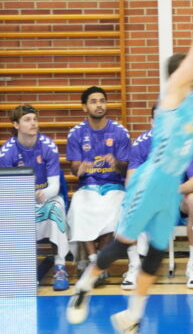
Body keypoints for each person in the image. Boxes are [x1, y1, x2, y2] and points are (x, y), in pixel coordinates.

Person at [67, 0, 193, 333]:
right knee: (123, 244)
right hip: (151, 180)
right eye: (191, 68)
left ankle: (132, 316)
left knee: (156, 254)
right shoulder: (173, 94)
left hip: (169, 188)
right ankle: (83, 286)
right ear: (178, 75)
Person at [123, 104, 193, 290]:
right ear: (152, 122)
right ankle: (135, 265)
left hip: (176, 198)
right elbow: (130, 182)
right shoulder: (141, 144)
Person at [0, 104, 70, 291]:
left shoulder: (48, 146)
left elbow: (55, 186)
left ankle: (60, 267)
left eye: (35, 119)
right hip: (20, 200)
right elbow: (7, 190)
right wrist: (27, 196)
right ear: (16, 124)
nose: (33, 123)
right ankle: (24, 269)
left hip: (46, 197)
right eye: (27, 120)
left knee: (57, 208)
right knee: (11, 216)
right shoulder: (7, 152)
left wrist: (43, 194)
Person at [66, 86, 131, 285]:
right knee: (79, 206)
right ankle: (95, 261)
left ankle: (100, 259)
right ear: (84, 107)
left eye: (102, 100)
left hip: (114, 186)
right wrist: (81, 168)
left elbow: (126, 167)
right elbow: (73, 168)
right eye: (93, 101)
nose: (99, 105)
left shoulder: (119, 132)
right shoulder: (76, 133)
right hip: (89, 187)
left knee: (113, 210)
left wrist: (117, 164)